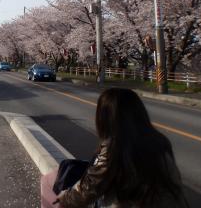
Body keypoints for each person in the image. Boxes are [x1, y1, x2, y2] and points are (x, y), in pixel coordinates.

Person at [54, 88, 188, 208]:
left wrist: (65, 199)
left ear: (105, 117)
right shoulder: (159, 140)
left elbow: (90, 188)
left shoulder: (115, 146)